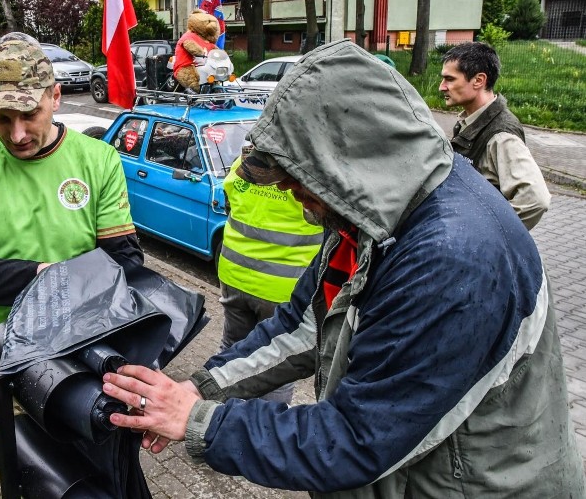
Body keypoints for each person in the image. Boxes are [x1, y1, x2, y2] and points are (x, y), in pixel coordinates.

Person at [101, 40, 585, 496]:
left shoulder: (451, 258)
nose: (296, 199)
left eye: (298, 181)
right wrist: (196, 389)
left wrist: (199, 421)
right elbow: (303, 325)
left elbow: (358, 437)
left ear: (345, 158)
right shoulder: (375, 206)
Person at [0, 37, 144, 498]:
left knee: (68, 488)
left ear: (56, 97)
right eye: (2, 119)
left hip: (68, 370)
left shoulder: (97, 160)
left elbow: (125, 264)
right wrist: (44, 277)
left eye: (30, 115)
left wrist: (49, 285)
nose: (18, 133)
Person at [216, 154, 323, 404]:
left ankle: (215, 417)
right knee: (276, 365)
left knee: (232, 348)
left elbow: (229, 200)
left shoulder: (244, 163)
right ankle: (258, 432)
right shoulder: (306, 175)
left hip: (235, 275)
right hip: (281, 288)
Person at [440, 41, 550, 230]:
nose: (442, 87)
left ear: (478, 80)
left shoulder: (501, 135)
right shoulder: (473, 121)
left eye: (450, 79)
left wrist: (488, 234)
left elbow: (535, 199)